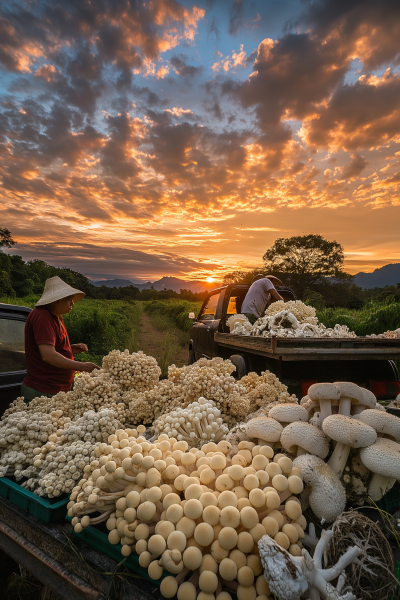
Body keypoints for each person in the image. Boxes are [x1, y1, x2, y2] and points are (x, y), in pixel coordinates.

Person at [21, 276, 100, 401]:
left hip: (56, 390)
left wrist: (71, 348)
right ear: (55, 300)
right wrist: (82, 366)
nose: (72, 303)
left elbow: (51, 348)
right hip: (43, 391)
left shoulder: (56, 317)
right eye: (69, 299)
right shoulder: (42, 317)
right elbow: (48, 356)